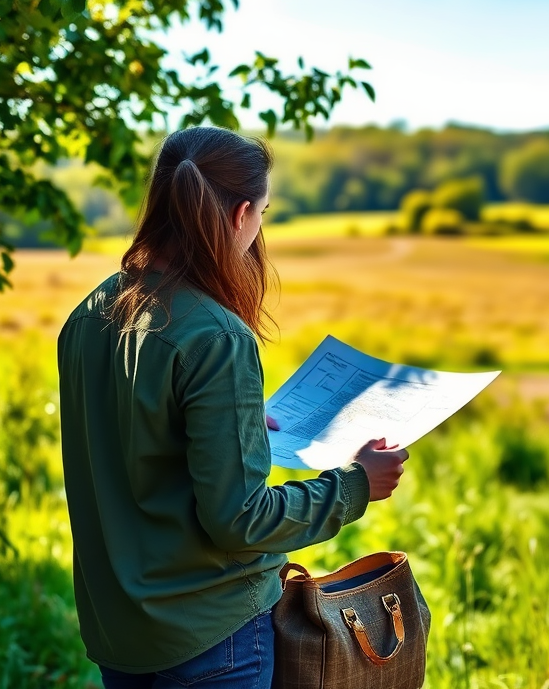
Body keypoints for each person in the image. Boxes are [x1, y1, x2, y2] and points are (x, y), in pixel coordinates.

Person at [57, 126, 409, 688]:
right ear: (242, 211)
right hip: (209, 638)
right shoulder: (216, 337)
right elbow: (239, 520)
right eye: (263, 213)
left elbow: (140, 448)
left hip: (118, 632)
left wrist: (239, 425)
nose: (259, 229)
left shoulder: (90, 313)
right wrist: (356, 485)